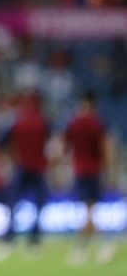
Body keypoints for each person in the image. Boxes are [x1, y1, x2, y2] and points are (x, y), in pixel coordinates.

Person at [63, 90, 114, 265]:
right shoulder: (98, 123)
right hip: (94, 171)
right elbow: (106, 148)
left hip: (79, 171)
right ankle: (101, 245)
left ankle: (83, 249)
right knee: (89, 212)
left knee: (89, 212)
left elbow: (64, 146)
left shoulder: (73, 122)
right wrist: (109, 170)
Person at [0, 91, 49, 251]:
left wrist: (10, 156)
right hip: (38, 167)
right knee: (39, 202)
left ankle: (9, 235)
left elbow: (1, 143)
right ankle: (35, 236)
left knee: (13, 201)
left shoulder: (18, 122)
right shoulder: (43, 122)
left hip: (22, 166)